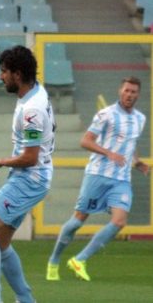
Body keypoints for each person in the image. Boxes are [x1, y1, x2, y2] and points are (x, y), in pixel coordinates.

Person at [0, 46, 55, 303]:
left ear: (18, 74)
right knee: (1, 241)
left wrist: (2, 161)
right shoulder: (36, 91)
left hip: (29, 179)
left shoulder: (31, 110)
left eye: (4, 72)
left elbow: (30, 157)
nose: (1, 77)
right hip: (32, 178)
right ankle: (25, 299)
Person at [46, 76, 148, 282]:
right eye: (126, 90)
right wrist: (108, 153)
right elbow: (85, 141)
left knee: (119, 222)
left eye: (133, 92)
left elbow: (130, 144)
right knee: (77, 222)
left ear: (138, 95)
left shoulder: (140, 119)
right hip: (98, 175)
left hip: (121, 179)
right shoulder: (106, 114)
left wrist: (137, 163)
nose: (129, 95)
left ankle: (80, 259)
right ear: (120, 91)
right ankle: (54, 261)